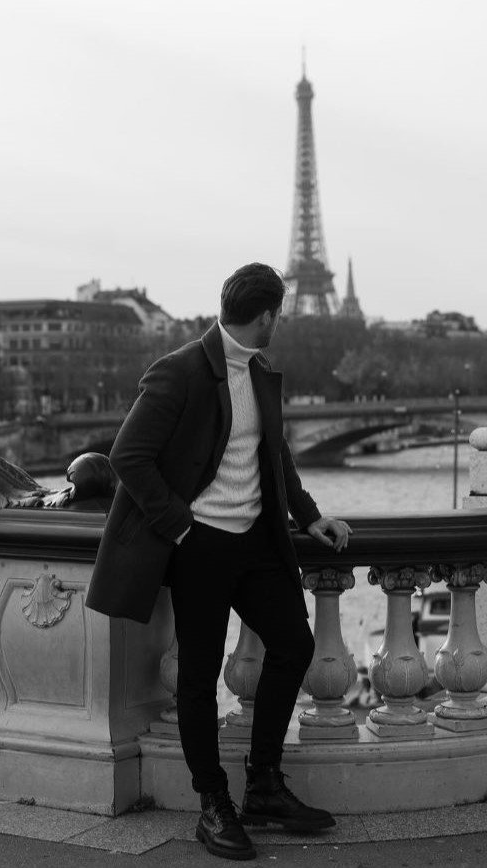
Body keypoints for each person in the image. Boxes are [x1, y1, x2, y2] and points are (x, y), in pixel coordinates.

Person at [86, 263, 351, 861]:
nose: (278, 323)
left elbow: (275, 455)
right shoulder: (180, 370)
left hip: (256, 542)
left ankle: (263, 786)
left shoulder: (258, 373)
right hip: (201, 546)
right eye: (278, 315)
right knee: (199, 680)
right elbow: (128, 454)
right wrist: (180, 526)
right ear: (266, 315)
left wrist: (309, 517)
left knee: (294, 646)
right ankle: (214, 805)